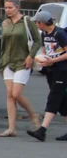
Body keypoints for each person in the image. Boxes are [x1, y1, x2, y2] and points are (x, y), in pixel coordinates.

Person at [0, 0, 42, 137]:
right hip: (7, 62)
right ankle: (11, 128)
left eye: (10, 7)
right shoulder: (5, 23)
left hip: (22, 62)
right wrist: (1, 63)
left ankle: (33, 115)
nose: (8, 10)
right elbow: (3, 44)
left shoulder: (27, 22)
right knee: (10, 95)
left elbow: (37, 41)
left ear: (18, 7)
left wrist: (31, 56)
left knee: (16, 94)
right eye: (6, 8)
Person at [27, 10, 67, 141]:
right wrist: (44, 60)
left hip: (62, 70)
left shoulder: (59, 33)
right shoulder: (44, 34)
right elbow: (45, 50)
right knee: (62, 102)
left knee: (54, 98)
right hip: (51, 70)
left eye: (37, 23)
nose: (37, 25)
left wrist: (52, 61)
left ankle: (42, 130)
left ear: (41, 23)